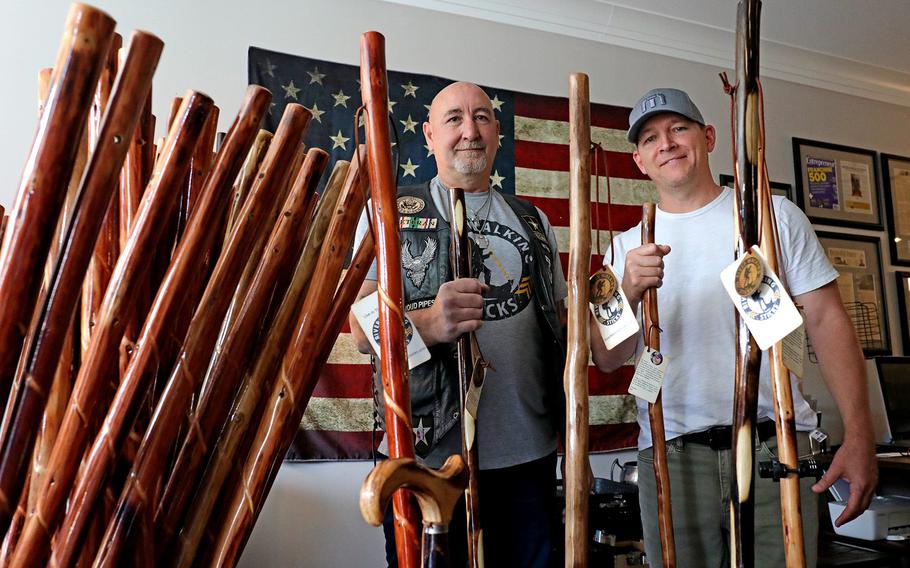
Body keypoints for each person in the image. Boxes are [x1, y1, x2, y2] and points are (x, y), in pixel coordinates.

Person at [590, 87, 878, 567]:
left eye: (678, 128)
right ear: (639, 160)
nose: (666, 143)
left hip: (777, 443)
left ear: (709, 136)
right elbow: (608, 358)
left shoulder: (771, 217)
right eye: (650, 138)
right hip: (671, 455)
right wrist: (629, 291)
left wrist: (860, 435)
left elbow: (827, 321)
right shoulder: (625, 248)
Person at [350, 81, 567, 568]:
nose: (470, 130)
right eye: (454, 119)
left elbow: (562, 326)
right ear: (428, 135)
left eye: (483, 117)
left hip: (527, 461)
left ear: (497, 134)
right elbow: (363, 333)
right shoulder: (389, 215)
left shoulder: (534, 221)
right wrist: (427, 324)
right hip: (427, 460)